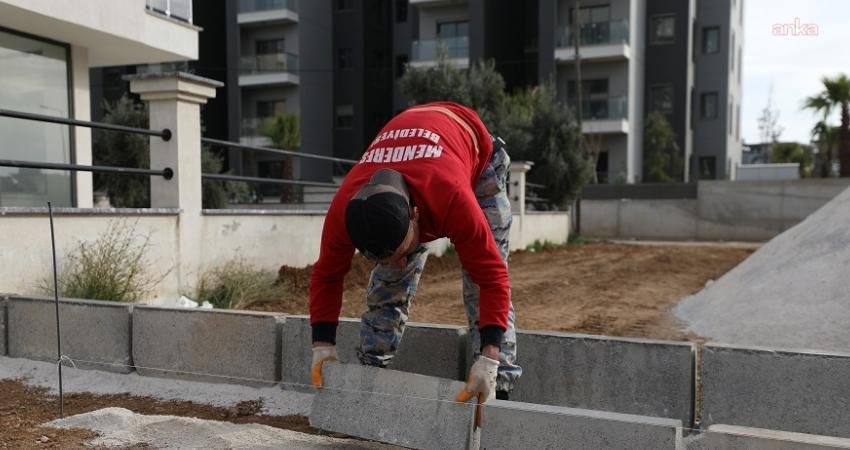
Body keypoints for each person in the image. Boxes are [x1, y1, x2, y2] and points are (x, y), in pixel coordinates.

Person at [309, 101, 521, 403]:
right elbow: (327, 276)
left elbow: (492, 278)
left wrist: (489, 358)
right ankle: (368, 381)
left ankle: (499, 389)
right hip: (417, 147)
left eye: (405, 250)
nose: (403, 261)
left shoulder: (452, 199)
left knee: (479, 279)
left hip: (476, 159)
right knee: (390, 281)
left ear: (415, 214)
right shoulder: (346, 210)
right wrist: (322, 346)